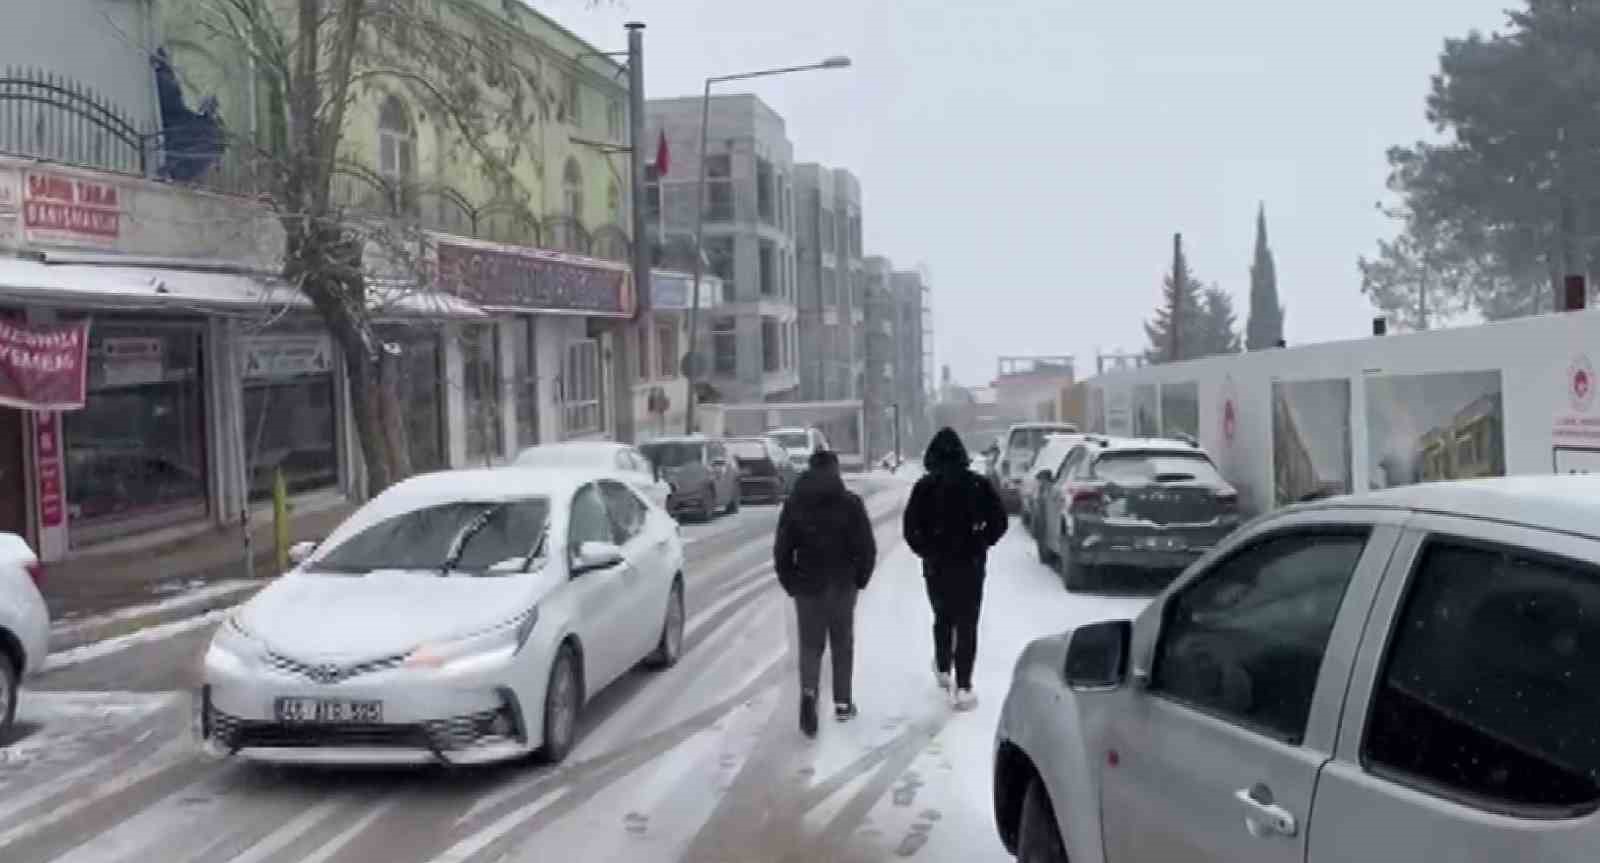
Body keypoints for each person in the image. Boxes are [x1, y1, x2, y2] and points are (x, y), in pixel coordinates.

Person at [774, 449, 877, 738]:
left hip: (808, 585)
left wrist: (791, 582)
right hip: (842, 584)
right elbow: (866, 547)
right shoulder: (850, 503)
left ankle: (809, 692)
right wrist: (861, 578)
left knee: (810, 646)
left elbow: (782, 550)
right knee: (842, 644)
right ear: (836, 470)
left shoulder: (795, 505)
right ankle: (843, 702)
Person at [903, 427, 1007, 710]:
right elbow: (1000, 520)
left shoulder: (925, 488)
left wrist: (926, 549)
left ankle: (943, 667)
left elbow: (910, 528)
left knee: (942, 616)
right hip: (970, 565)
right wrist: (983, 541)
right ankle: (964, 684)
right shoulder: (977, 485)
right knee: (968, 622)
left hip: (937, 566)